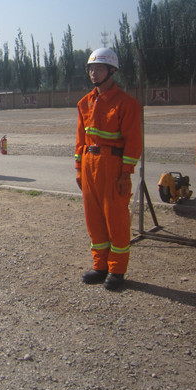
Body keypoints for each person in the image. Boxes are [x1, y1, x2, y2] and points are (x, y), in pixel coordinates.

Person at [75, 48, 142, 291]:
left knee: (116, 220)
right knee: (93, 219)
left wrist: (126, 172)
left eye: (99, 68)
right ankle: (100, 266)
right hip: (89, 163)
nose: (94, 73)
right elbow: (80, 139)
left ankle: (117, 270)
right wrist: (79, 168)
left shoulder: (127, 104)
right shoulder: (85, 102)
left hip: (112, 166)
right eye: (91, 69)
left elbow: (133, 141)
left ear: (112, 71)